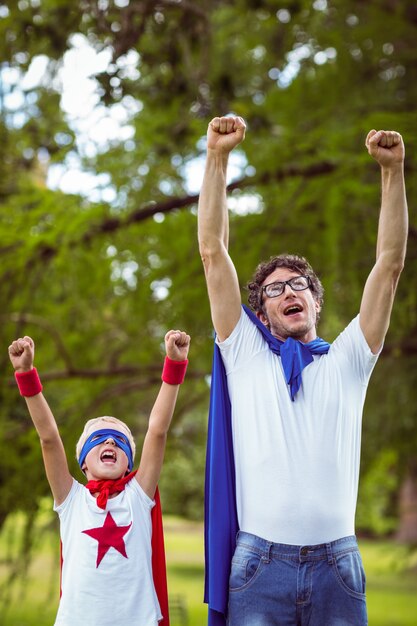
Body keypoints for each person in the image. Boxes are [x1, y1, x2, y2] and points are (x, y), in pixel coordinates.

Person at [199, 116, 408, 626]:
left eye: (299, 285)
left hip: (338, 567)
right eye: (274, 289)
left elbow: (390, 263)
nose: (288, 291)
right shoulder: (246, 354)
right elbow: (211, 251)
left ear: (316, 302)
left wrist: (393, 172)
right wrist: (217, 159)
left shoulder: (350, 358)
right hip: (259, 568)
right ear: (262, 313)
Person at [8, 329, 190, 626]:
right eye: (100, 439)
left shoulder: (138, 496)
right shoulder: (71, 499)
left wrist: (174, 365)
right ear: (83, 463)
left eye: (118, 440)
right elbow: (49, 438)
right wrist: (26, 375)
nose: (109, 443)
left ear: (129, 462)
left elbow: (157, 430)